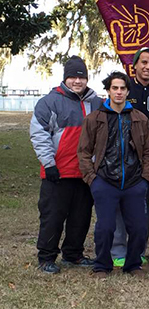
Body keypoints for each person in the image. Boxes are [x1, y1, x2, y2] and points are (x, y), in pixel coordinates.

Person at [77, 72, 149, 278]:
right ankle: (102, 265)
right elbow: (84, 151)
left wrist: (145, 178)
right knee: (105, 228)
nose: (119, 92)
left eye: (122, 88)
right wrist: (92, 179)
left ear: (128, 91)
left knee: (139, 228)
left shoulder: (140, 118)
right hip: (104, 181)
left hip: (134, 182)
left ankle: (133, 264)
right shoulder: (94, 119)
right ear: (108, 91)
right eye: (115, 88)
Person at [30, 55, 102, 274]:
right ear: (65, 79)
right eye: (72, 77)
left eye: (81, 77)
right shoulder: (49, 102)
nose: (77, 82)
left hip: (84, 173)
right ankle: (46, 257)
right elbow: (39, 133)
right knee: (53, 216)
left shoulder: (96, 102)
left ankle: (73, 254)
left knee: (81, 217)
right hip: (58, 172)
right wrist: (48, 163)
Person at [111, 47, 149, 268]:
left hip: (147, 159)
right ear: (134, 65)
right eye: (143, 62)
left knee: (142, 206)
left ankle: (139, 250)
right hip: (121, 158)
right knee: (120, 204)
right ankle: (118, 249)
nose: (146, 67)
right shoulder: (124, 91)